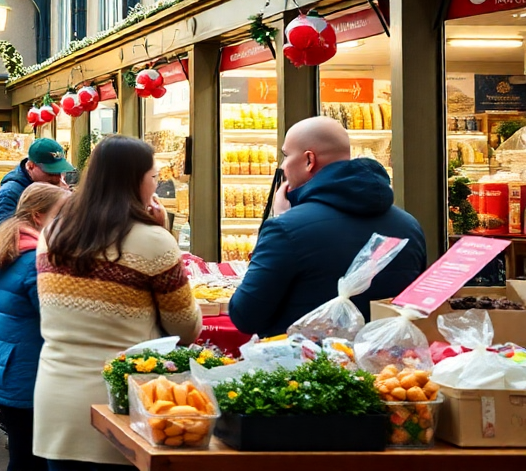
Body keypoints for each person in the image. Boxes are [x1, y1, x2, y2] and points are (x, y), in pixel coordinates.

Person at [33, 135, 201, 470]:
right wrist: (161, 235)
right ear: (135, 180)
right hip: (123, 402)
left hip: (57, 399)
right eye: (154, 176)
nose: (156, 184)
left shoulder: (52, 234)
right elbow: (185, 328)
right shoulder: (153, 241)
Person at [229, 116, 427, 337]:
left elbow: (245, 316)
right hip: (387, 356)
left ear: (309, 160)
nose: (283, 166)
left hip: (305, 356)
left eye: (286, 155)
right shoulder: (410, 225)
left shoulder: (285, 229)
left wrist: (283, 219)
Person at [0, 184, 70, 471]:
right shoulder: (34, 261)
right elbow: (56, 317)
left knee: (22, 454)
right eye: (62, 214)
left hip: (5, 365)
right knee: (30, 459)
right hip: (26, 371)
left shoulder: (8, 247)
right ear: (39, 216)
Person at [0, 138, 73, 230]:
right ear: (31, 166)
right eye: (50, 173)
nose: (56, 178)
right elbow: (3, 234)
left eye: (59, 172)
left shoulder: (55, 186)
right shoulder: (9, 194)